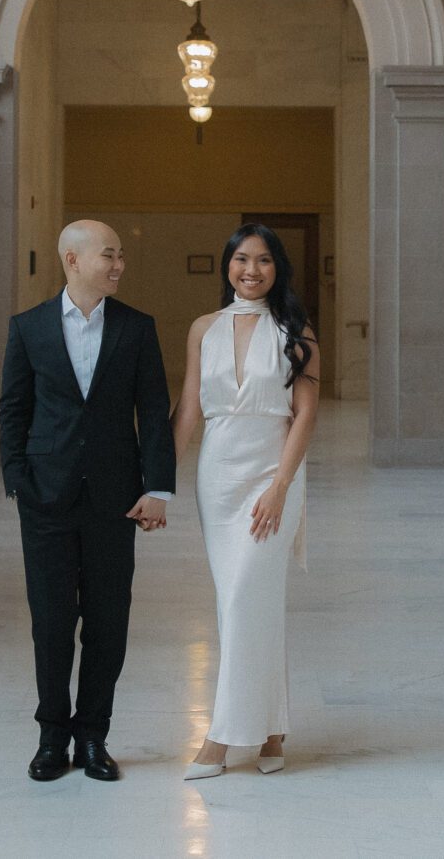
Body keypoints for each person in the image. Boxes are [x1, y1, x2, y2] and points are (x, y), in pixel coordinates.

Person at [0, 220, 175, 783]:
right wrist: (16, 479)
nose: (119, 264)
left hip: (113, 501)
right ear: (72, 261)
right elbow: (13, 409)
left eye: (121, 254)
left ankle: (93, 736)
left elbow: (152, 411)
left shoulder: (137, 328)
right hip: (44, 499)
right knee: (51, 623)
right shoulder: (28, 328)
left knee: (107, 621)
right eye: (109, 255)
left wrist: (158, 487)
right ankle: (52, 737)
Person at [176, 223, 319, 779]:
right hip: (218, 476)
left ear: (277, 268)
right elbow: (189, 407)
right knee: (245, 605)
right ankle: (273, 730)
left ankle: (220, 737)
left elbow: (305, 413)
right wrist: (156, 481)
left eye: (262, 260)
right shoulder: (203, 329)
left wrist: (280, 487)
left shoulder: (296, 330)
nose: (251, 270)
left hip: (272, 473)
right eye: (241, 259)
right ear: (227, 265)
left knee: (242, 599)